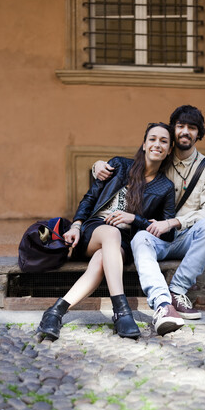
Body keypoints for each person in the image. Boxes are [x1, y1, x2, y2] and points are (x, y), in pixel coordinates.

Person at [37, 122, 185, 341]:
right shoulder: (120, 166)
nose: (157, 144)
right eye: (152, 139)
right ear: (144, 144)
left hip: (123, 243)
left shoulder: (165, 188)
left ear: (170, 150)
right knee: (110, 234)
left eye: (164, 141)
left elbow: (167, 234)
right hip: (93, 230)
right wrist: (77, 224)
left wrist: (135, 219)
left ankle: (55, 312)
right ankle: (121, 310)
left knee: (100, 261)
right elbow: (90, 197)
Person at [93, 105, 205, 335]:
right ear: (172, 131)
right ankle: (163, 305)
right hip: (157, 237)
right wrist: (97, 166)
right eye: (180, 126)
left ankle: (177, 290)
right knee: (141, 237)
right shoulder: (160, 155)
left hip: (187, 237)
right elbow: (126, 167)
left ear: (199, 134)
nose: (185, 131)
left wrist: (173, 222)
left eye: (192, 128)